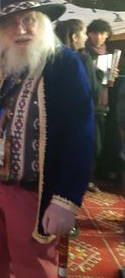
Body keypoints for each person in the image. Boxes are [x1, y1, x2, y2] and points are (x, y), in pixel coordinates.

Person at [0, 0, 94, 278]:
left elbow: (81, 134)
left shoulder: (63, 64)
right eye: (11, 23)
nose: (21, 29)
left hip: (33, 192)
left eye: (29, 19)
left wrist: (66, 200)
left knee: (34, 268)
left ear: (43, 22)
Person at [55, 19, 103, 192]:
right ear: (75, 37)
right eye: (83, 33)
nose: (85, 37)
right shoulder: (83, 59)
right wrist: (100, 74)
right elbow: (93, 90)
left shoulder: (52, 57)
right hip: (80, 116)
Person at [85, 19, 118, 180]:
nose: (98, 37)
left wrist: (113, 75)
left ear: (107, 35)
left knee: (102, 140)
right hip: (88, 102)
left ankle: (98, 173)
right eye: (95, 32)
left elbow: (108, 81)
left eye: (102, 33)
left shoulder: (108, 53)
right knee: (91, 142)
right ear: (89, 34)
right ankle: (86, 177)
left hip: (104, 103)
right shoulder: (84, 53)